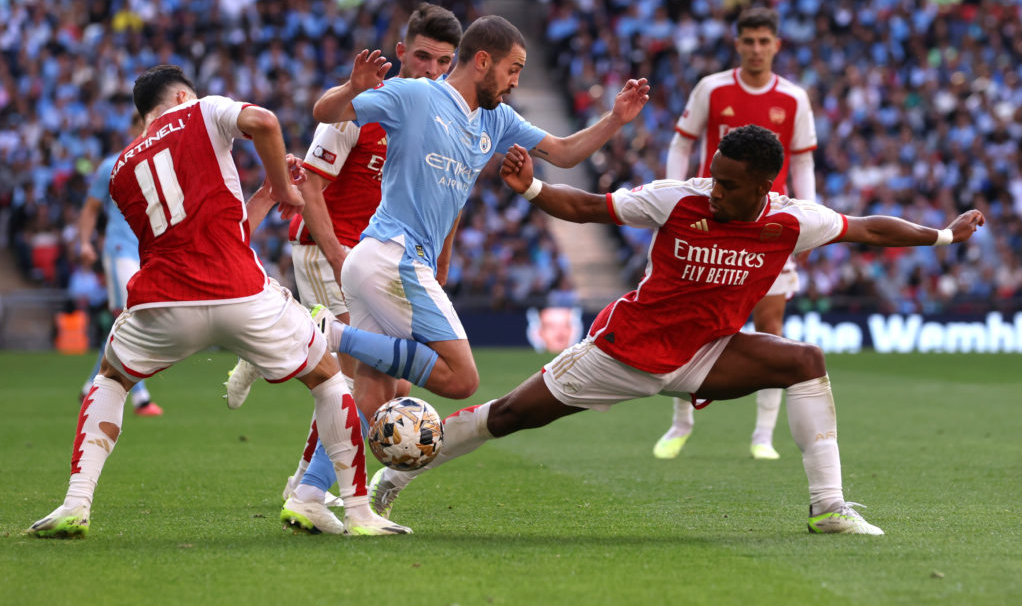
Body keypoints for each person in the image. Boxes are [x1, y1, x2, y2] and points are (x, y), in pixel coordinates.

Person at [367, 126, 985, 536]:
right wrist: (529, 185)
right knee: (506, 416)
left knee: (804, 360)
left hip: (704, 354)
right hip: (621, 352)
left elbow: (870, 229)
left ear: (764, 186)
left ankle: (829, 507)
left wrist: (944, 236)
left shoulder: (794, 221)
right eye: (715, 176)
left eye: (730, 183)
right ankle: (392, 477)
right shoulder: (678, 200)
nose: (715, 190)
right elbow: (587, 206)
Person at [26, 65, 411, 538]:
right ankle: (357, 512)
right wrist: (287, 188)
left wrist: (267, 197)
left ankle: (75, 503)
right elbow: (266, 122)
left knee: (111, 378)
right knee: (330, 381)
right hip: (240, 294)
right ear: (184, 94)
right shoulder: (203, 109)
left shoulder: (122, 167)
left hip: (163, 302)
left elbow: (203, 236)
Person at [299, 12, 650, 515]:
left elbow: (566, 153)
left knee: (372, 396)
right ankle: (330, 335)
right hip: (391, 257)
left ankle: (312, 496)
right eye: (512, 69)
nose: (515, 81)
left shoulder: (497, 118)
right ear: (483, 60)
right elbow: (324, 111)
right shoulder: (417, 94)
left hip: (386, 259)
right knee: (460, 378)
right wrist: (349, 88)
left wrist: (616, 119)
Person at [223, 3, 464, 525]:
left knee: (390, 385)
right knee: (359, 377)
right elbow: (309, 183)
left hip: (382, 257)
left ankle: (287, 352)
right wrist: (336, 253)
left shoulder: (437, 116)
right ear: (401, 53)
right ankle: (310, 488)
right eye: (421, 57)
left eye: (442, 61)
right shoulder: (367, 104)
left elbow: (450, 196)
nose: (430, 69)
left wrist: (440, 260)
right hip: (327, 247)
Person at [657, 7, 817, 461]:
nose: (756, 49)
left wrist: (808, 214)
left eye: (764, 41)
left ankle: (762, 436)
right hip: (714, 219)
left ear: (777, 45)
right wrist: (673, 194)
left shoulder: (793, 98)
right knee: (687, 322)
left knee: (772, 327)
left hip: (770, 227)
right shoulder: (712, 88)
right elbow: (682, 141)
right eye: (749, 40)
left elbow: (802, 161)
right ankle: (680, 423)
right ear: (738, 43)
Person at [77, 111, 163, 416]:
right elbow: (90, 208)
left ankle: (91, 386)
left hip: (147, 253)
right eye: (147, 123)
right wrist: (85, 242)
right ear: (133, 127)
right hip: (119, 249)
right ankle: (140, 397)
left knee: (125, 321)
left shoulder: (160, 162)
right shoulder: (112, 164)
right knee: (133, 317)